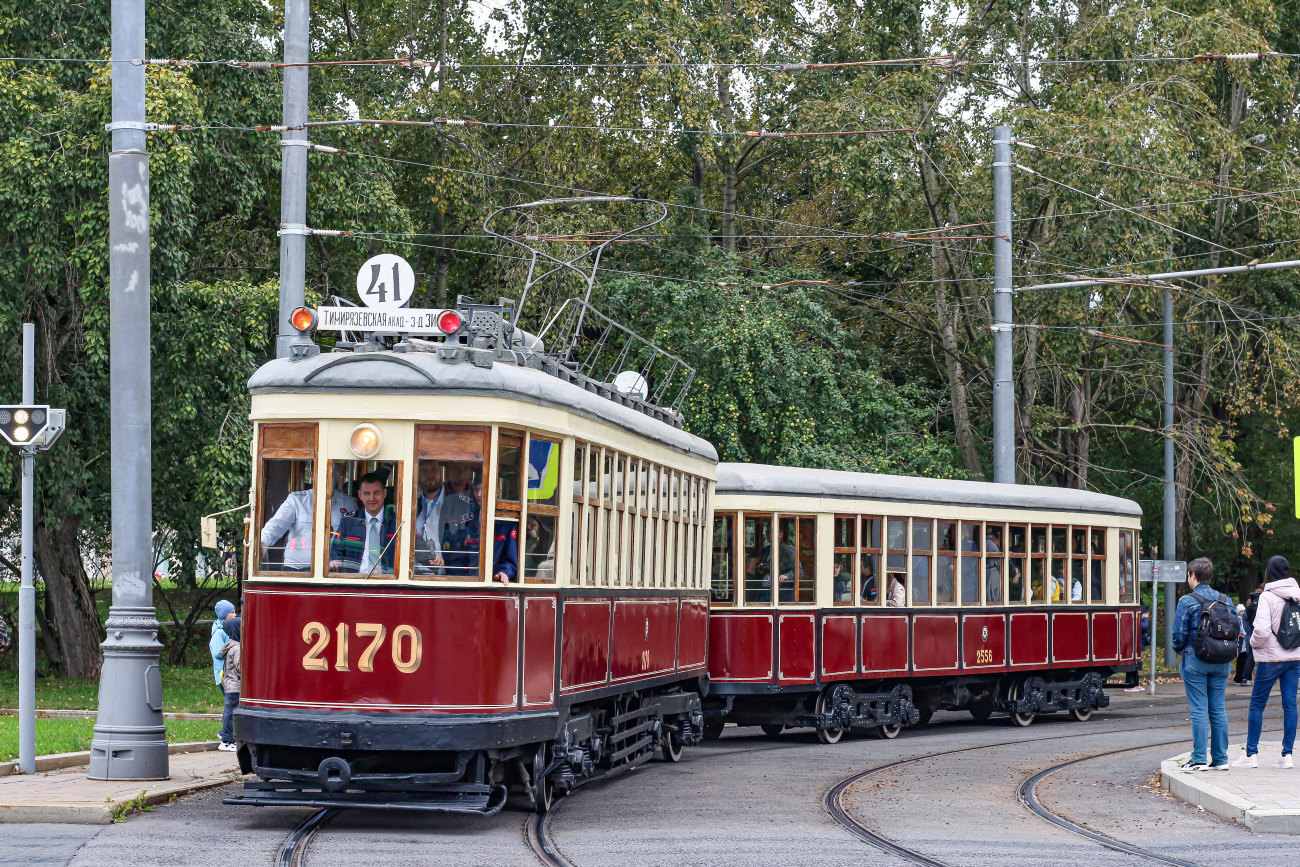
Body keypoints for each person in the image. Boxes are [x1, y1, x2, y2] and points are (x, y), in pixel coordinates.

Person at [1235, 556, 1300, 769]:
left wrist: (1254, 644)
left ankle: (1251, 754)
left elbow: (1261, 630)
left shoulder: (1267, 597)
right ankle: (1287, 755)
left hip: (1271, 659)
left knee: (1257, 705)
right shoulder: (1298, 595)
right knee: (1290, 705)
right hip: (1294, 657)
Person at [1173, 557, 1234, 771]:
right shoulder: (1226, 600)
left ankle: (1199, 759)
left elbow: (1178, 634)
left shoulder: (1187, 601)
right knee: (1218, 708)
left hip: (1196, 659)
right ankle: (1221, 759)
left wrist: (1181, 650)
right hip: (1222, 660)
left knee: (1199, 708)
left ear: (1193, 576)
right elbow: (1237, 630)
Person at [329, 472, 398, 574]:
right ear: (360, 495)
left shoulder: (398, 520)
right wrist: (334, 560)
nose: (372, 498)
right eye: (367, 493)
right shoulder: (349, 521)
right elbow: (336, 550)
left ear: (384, 493)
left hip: (390, 582)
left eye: (377, 493)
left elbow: (416, 547)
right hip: (356, 581)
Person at [415, 460, 445, 573]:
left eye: (434, 469)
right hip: (410, 574)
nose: (430, 474)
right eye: (424, 470)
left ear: (441, 470)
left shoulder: (454, 500)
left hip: (445, 576)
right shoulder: (408, 497)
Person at [217, 616, 242, 751]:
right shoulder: (237, 648)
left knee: (229, 710)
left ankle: (226, 736)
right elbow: (241, 666)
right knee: (231, 712)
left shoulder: (231, 644)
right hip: (235, 685)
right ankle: (227, 740)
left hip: (230, 684)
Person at [209, 599, 236, 692]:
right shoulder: (219, 632)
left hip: (232, 671)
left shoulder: (229, 629)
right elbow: (217, 652)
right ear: (224, 615)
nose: (235, 615)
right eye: (232, 612)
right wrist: (233, 651)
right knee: (230, 699)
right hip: (223, 672)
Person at [1125, 603, 1151, 690]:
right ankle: (1130, 684)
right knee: (1132, 663)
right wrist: (1145, 619)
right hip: (1134, 642)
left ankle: (1135, 683)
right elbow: (1144, 627)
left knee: (1135, 663)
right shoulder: (1139, 619)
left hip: (1137, 642)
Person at [1233, 602, 1255, 685]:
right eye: (1240, 611)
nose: (1242, 612)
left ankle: (1240, 677)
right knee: (1243, 658)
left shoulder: (1243, 619)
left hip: (1244, 640)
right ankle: (1242, 677)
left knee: (1243, 658)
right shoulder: (1239, 619)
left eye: (1243, 611)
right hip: (1243, 640)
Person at [985, 527, 1002, 603]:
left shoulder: (984, 542)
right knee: (993, 593)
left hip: (985, 570)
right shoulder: (992, 545)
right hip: (992, 571)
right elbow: (998, 561)